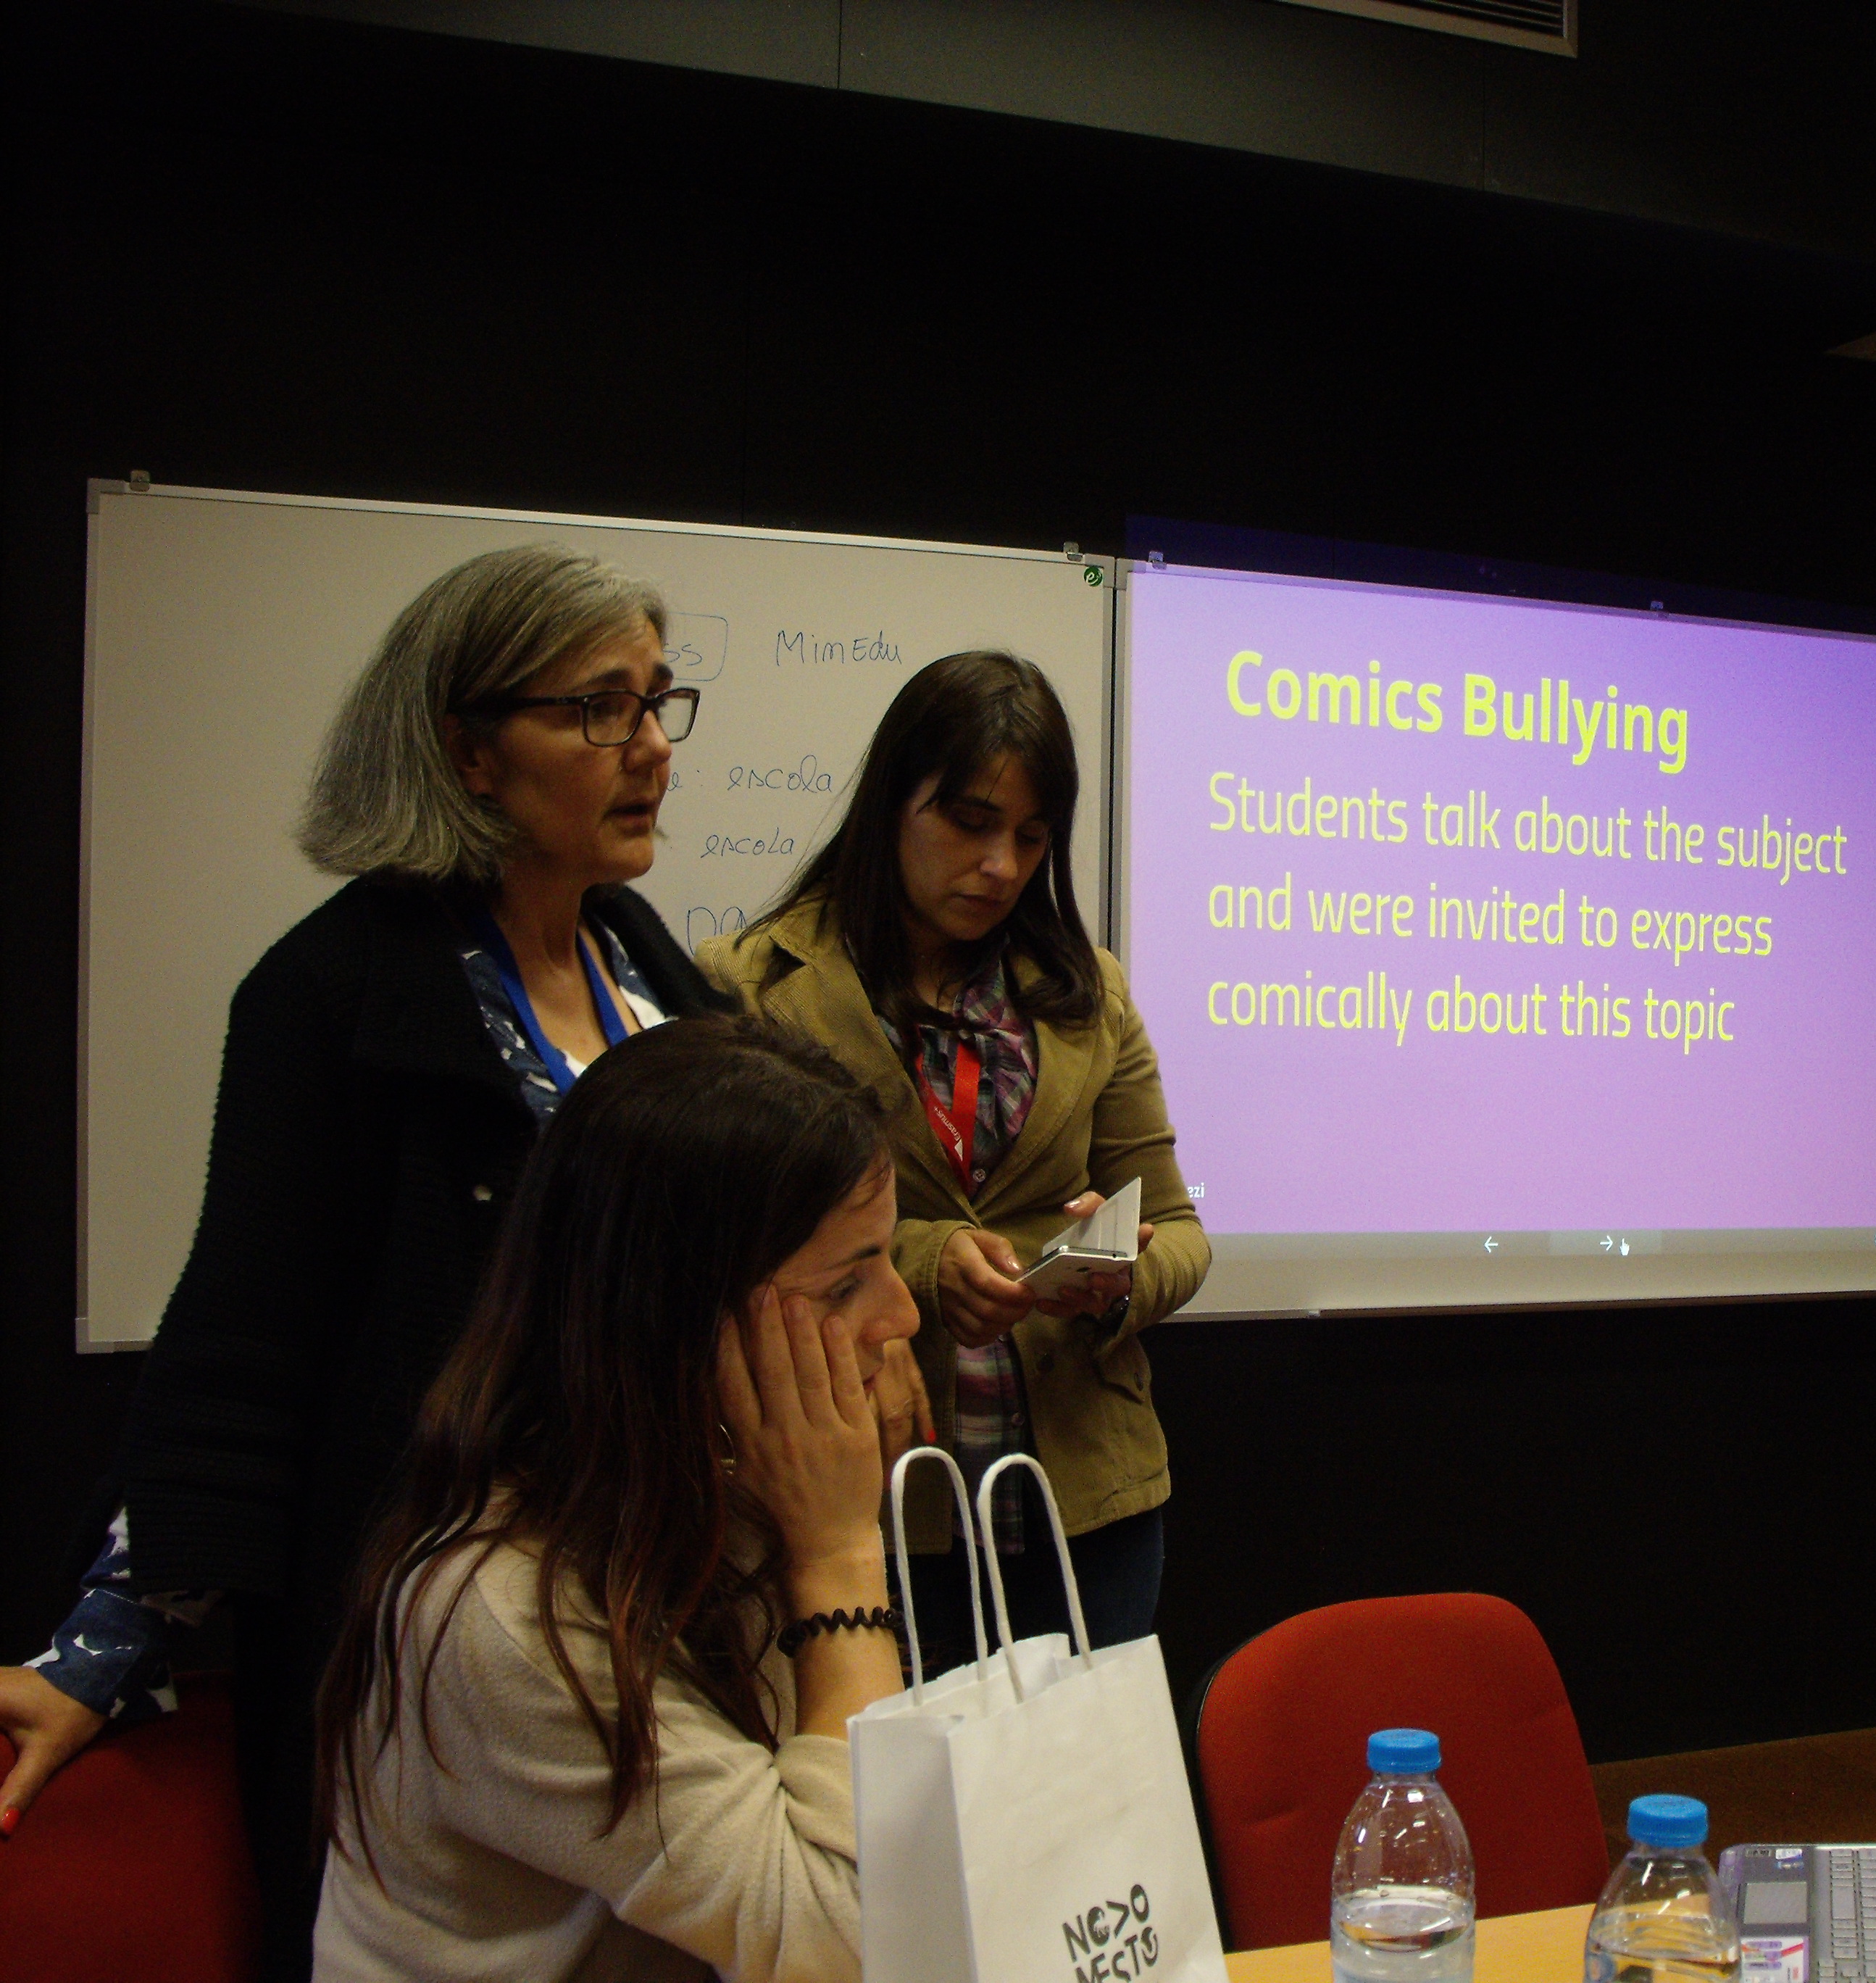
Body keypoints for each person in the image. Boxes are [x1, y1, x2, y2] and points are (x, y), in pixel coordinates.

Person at [0, 545, 725, 1978]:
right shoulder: (329, 992)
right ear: (469, 751)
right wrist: (101, 1646)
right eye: (598, 709)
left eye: (657, 702)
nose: (649, 747)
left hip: (655, 1602)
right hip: (435, 1645)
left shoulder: (643, 961)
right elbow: (242, 1346)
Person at [313, 1017, 930, 1983]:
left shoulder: (716, 1482)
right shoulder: (502, 1612)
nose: (904, 1316)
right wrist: (839, 1556)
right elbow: (857, 1940)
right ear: (675, 1316)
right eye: (847, 1284)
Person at [700, 650, 1208, 1670]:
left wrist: (1112, 1280)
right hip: (865, 1501)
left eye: (1031, 837)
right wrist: (927, 1262)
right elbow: (725, 1245)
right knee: (872, 1771)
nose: (1002, 868)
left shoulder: (1087, 990)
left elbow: (1182, 1234)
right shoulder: (752, 987)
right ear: (894, 804)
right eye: (971, 823)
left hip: (1085, 1502)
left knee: (1082, 1773)